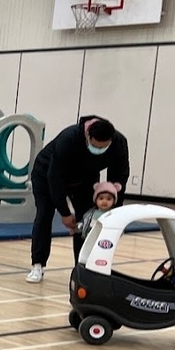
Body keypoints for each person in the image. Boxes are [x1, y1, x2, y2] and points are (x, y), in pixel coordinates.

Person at [26, 115, 130, 283]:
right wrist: (65, 212)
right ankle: (38, 264)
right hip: (47, 175)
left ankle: (81, 268)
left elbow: (119, 177)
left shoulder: (119, 143)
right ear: (88, 136)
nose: (100, 150)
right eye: (96, 146)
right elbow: (55, 177)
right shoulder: (69, 139)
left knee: (86, 221)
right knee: (44, 214)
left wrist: (113, 211)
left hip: (84, 180)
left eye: (104, 147)